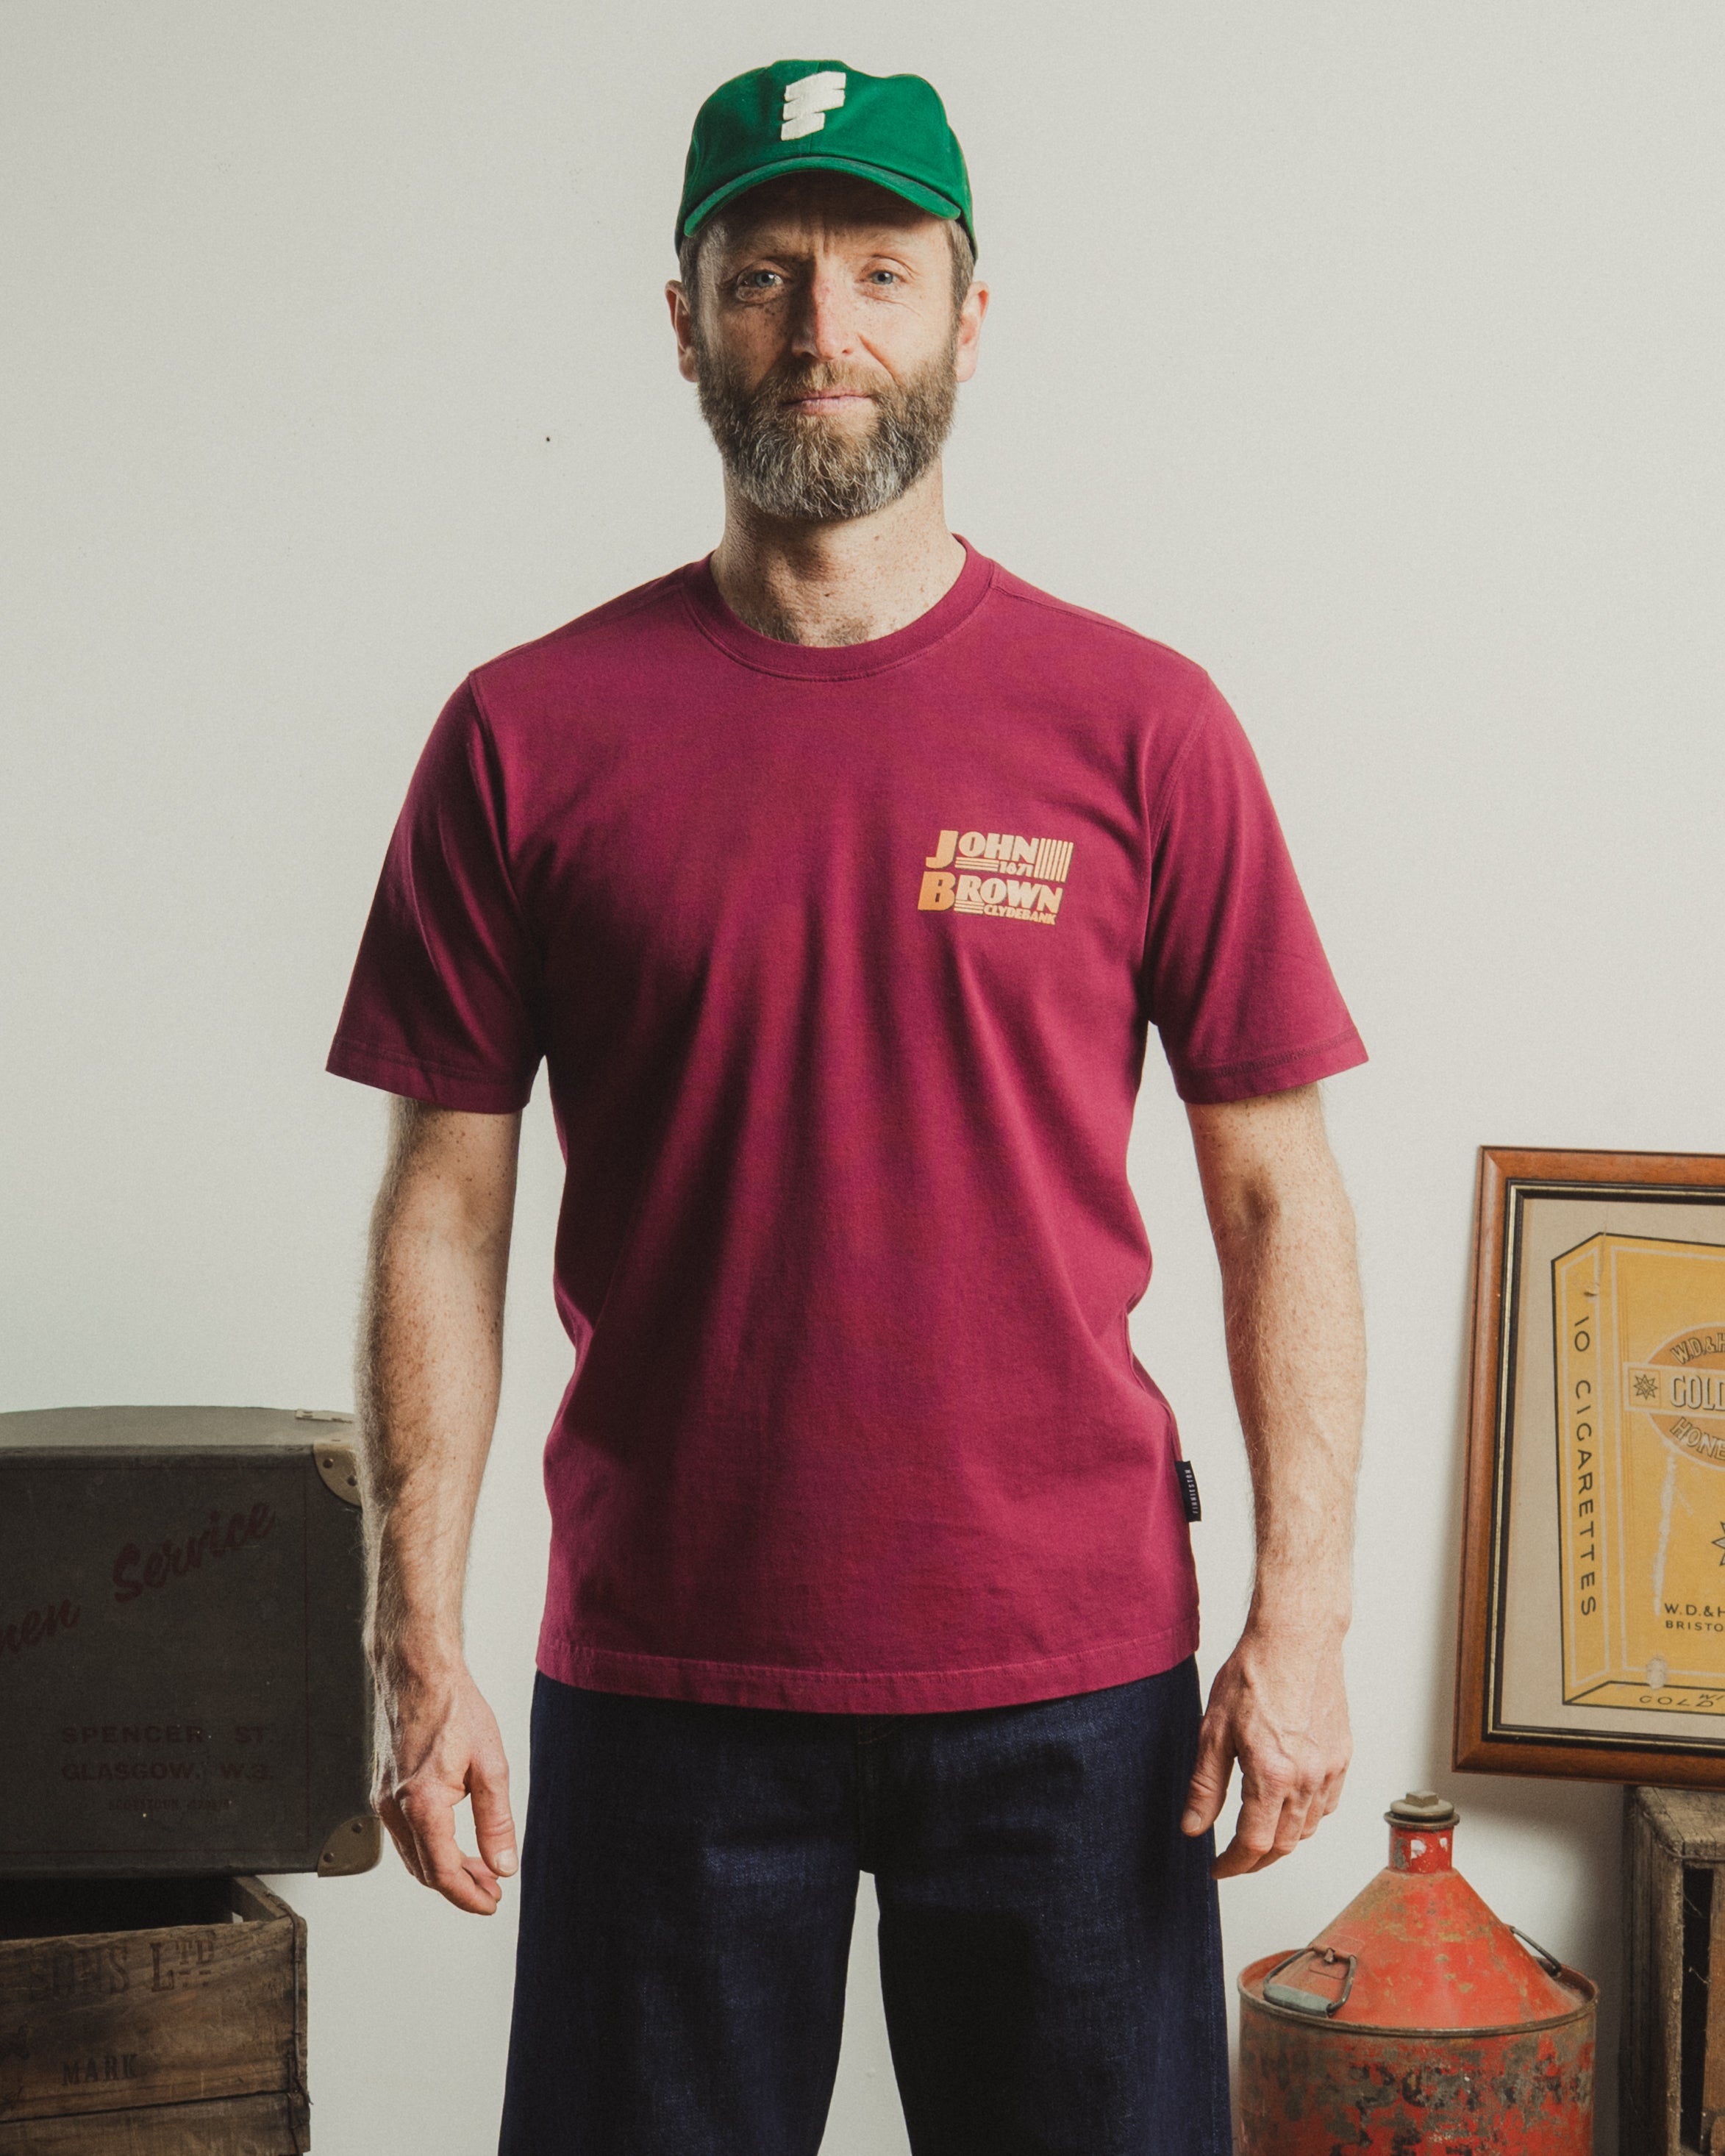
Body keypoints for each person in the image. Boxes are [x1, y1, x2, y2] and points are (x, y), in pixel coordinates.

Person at [329, 57, 1367, 2156]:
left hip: (1073, 1685)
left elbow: (1274, 1188)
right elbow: (440, 1202)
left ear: (968, 316)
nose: (824, 334)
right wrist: (417, 1641)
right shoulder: (526, 735)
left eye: (880, 274)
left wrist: (1303, 1619)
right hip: (663, 1674)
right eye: (766, 276)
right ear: (685, 314)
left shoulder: (1141, 726)